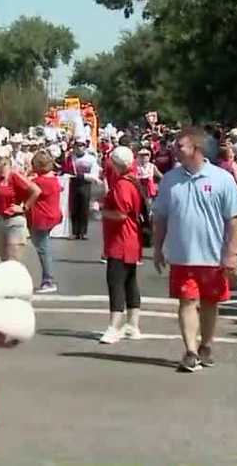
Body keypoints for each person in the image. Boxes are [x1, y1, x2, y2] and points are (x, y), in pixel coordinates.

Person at [152, 127, 237, 372]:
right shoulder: (171, 179)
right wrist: (158, 247)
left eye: (180, 145)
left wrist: (231, 253)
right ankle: (190, 351)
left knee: (209, 303)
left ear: (196, 148)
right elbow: (160, 217)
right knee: (186, 300)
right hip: (182, 256)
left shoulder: (221, 179)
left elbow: (235, 219)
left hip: (213, 257)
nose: (175, 149)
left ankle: (205, 345)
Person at [99, 147, 144, 344]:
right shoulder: (133, 181)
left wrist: (102, 211)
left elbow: (120, 214)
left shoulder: (122, 186)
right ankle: (132, 324)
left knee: (116, 283)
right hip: (132, 238)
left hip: (121, 240)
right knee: (130, 282)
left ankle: (114, 326)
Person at [0, 153, 40, 263]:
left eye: (1, 163)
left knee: (13, 258)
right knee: (3, 259)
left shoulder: (15, 176)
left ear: (7, 163)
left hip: (14, 220)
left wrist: (24, 207)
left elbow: (36, 191)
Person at [27, 151, 63, 293]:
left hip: (42, 217)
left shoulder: (40, 182)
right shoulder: (53, 179)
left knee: (43, 249)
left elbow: (27, 186)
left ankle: (48, 280)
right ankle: (48, 279)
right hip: (52, 215)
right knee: (44, 246)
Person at [64, 138, 98, 240]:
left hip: (85, 183)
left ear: (85, 147)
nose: (79, 148)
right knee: (74, 208)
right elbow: (65, 169)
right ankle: (75, 231)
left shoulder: (91, 159)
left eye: (81, 145)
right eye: (77, 145)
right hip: (73, 183)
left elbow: (94, 174)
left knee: (84, 208)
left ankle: (83, 232)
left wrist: (82, 176)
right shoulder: (71, 158)